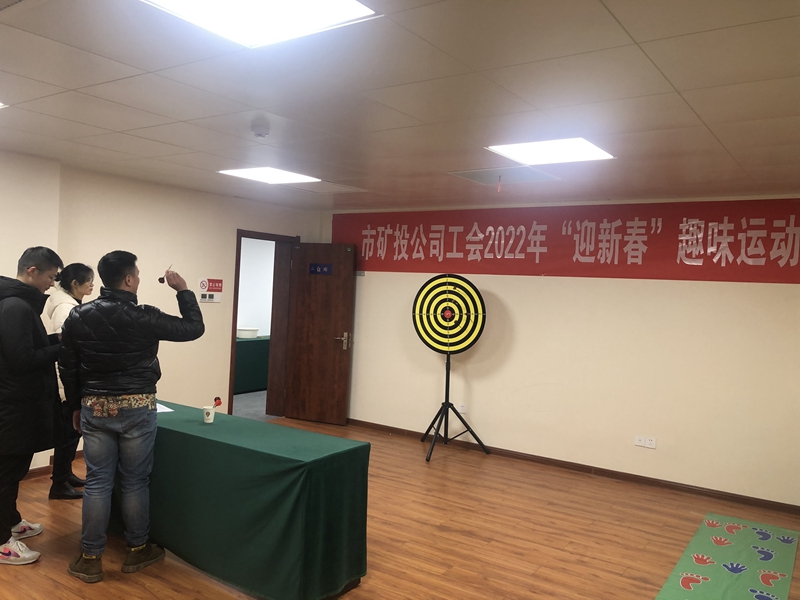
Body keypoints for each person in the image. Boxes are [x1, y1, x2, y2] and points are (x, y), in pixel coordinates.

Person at [60, 251, 204, 583]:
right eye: (136, 274)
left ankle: (90, 558)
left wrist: (75, 406)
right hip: (138, 405)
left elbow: (68, 365)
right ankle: (138, 549)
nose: (138, 279)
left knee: (97, 481)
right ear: (128, 279)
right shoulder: (145, 316)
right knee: (135, 481)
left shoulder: (78, 316)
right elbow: (193, 328)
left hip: (95, 405)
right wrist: (183, 290)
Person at [0, 247, 64, 566]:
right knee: (7, 473)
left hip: (18, 403)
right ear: (32, 271)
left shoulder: (20, 303)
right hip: (13, 406)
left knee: (14, 470)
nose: (52, 283)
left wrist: (57, 340)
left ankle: (11, 522)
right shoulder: (15, 306)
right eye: (51, 277)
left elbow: (28, 345)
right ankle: (2, 542)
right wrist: (63, 349)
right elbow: (22, 359)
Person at [42, 263, 95, 500]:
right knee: (69, 433)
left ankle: (65, 476)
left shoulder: (70, 304)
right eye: (88, 280)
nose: (92, 285)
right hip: (66, 382)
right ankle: (59, 483)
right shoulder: (66, 308)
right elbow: (66, 349)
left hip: (68, 380)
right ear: (75, 283)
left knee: (72, 434)